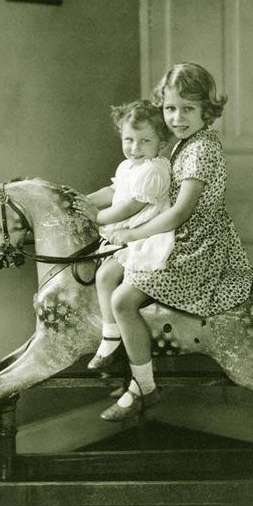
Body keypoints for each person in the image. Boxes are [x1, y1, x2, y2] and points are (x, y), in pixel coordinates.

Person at [100, 62, 253, 421]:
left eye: (188, 109)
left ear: (207, 110)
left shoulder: (201, 150)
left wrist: (133, 233)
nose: (177, 117)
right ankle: (112, 343)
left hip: (196, 246)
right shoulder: (185, 143)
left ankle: (143, 387)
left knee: (123, 299)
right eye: (170, 108)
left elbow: (180, 212)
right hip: (177, 236)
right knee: (107, 268)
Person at [74, 99, 175, 371]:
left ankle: (111, 337)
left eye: (144, 141)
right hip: (124, 232)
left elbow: (131, 206)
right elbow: (114, 193)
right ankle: (111, 331)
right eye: (129, 139)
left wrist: (95, 217)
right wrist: (81, 201)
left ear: (161, 141)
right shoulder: (127, 166)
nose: (135, 148)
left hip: (144, 236)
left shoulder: (155, 169)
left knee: (106, 275)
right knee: (96, 270)